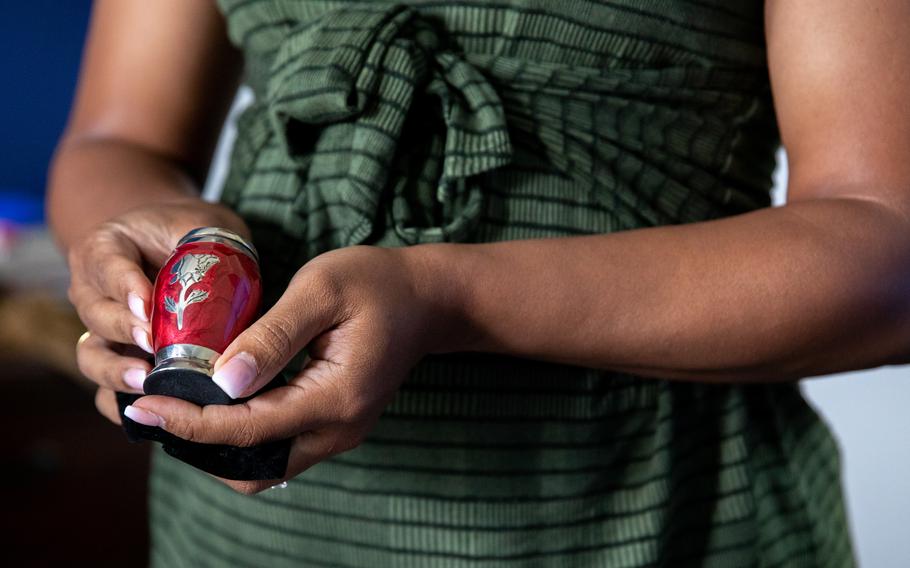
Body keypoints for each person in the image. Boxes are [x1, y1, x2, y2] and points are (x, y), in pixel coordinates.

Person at [47, 0, 910, 565]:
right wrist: (146, 242)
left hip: (649, 518)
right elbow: (117, 139)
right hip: (239, 538)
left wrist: (446, 298)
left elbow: (888, 245)